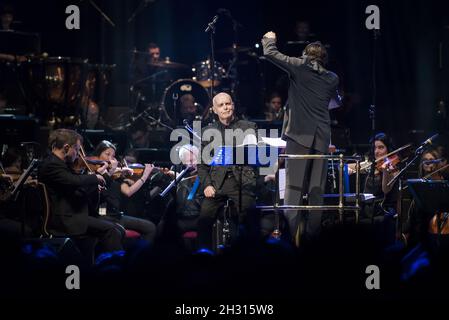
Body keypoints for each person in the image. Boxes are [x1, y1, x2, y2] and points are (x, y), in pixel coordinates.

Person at [262, 31, 340, 244]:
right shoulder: (332, 78)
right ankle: (313, 240)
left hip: (299, 137)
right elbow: (336, 100)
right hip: (322, 138)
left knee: (294, 189)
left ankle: (290, 238)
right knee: (317, 189)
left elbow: (270, 53)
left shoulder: (298, 66)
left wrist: (269, 38)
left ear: (306, 55)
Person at [37, 129, 124, 257]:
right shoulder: (51, 164)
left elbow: (76, 189)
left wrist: (98, 179)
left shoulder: (61, 164)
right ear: (66, 147)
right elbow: (73, 181)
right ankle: (116, 267)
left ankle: (101, 266)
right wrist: (95, 177)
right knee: (111, 231)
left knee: (117, 230)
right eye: (77, 149)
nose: (78, 154)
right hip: (65, 219)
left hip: (74, 213)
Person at [197, 92, 257, 252]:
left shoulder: (248, 127)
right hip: (217, 184)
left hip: (242, 182)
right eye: (221, 105)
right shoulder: (207, 132)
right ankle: (204, 257)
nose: (226, 107)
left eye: (228, 104)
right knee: (204, 218)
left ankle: (247, 255)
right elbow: (202, 166)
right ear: (214, 110)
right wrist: (207, 185)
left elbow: (254, 157)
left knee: (247, 218)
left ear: (233, 106)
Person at [93, 140, 157, 243]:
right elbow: (101, 201)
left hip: (116, 214)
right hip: (103, 215)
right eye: (107, 154)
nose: (110, 159)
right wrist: (144, 176)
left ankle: (139, 257)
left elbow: (127, 191)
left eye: (113, 156)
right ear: (97, 155)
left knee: (151, 227)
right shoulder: (94, 173)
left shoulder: (116, 175)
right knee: (118, 232)